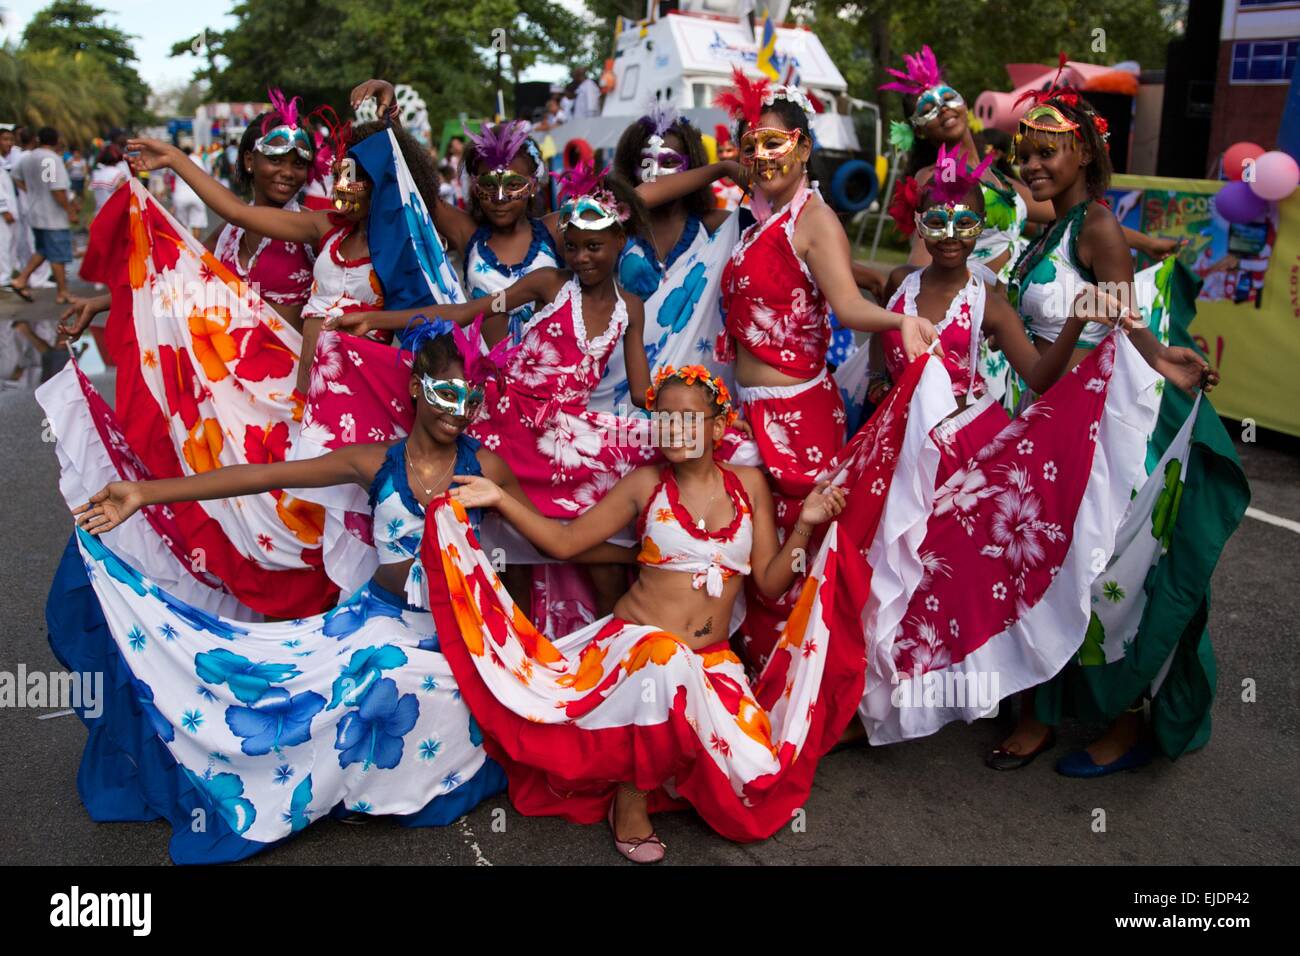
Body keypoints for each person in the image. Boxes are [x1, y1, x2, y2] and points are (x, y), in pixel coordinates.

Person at [58, 328, 570, 863]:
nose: (458, 412)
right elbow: (263, 476)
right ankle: (276, 790)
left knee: (385, 672)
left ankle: (374, 783)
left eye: (471, 401)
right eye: (446, 394)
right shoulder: (373, 462)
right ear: (417, 388)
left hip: (453, 634)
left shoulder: (488, 468)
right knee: (284, 678)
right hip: (379, 618)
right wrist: (144, 493)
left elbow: (546, 543)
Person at [439, 363, 854, 862]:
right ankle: (630, 798)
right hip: (637, 654)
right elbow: (566, 543)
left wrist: (806, 526)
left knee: (756, 779)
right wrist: (502, 499)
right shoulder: (644, 485)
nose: (674, 428)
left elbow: (768, 583)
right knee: (666, 656)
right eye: (664, 417)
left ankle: (664, 763)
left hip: (712, 662)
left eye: (689, 418)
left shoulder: (750, 486)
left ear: (719, 427)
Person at [326, 162, 652, 621]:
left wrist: (693, 409)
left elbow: (643, 394)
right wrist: (378, 322)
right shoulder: (548, 285)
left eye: (594, 247)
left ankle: (603, 653)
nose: (581, 258)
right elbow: (470, 310)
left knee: (599, 549)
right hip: (503, 425)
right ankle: (511, 651)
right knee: (504, 551)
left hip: (564, 439)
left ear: (621, 242)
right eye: (573, 247)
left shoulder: (630, 309)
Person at [711, 68, 941, 666]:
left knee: (801, 558)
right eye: (751, 145)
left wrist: (899, 322)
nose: (762, 156)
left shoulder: (814, 220)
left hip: (799, 422)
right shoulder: (761, 216)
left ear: (805, 148)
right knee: (760, 554)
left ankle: (808, 692)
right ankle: (766, 686)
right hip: (753, 416)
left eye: (775, 143)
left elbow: (846, 307)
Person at [60, 91, 320, 343]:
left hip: (294, 381)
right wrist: (100, 303)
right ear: (250, 161)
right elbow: (176, 281)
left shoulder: (311, 229)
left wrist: (174, 158)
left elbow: (237, 211)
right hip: (231, 380)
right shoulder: (228, 235)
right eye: (276, 160)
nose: (287, 172)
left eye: (298, 164)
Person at [9, 126, 79, 304]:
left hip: (35, 212)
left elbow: (16, 176)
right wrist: (69, 210)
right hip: (52, 215)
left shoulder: (29, 157)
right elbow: (56, 188)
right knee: (58, 254)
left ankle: (21, 279)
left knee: (43, 250)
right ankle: (63, 292)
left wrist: (32, 191)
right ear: (56, 140)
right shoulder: (51, 159)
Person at [88, 144, 131, 212]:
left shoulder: (96, 174)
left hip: (99, 213)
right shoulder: (118, 174)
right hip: (113, 215)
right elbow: (123, 198)